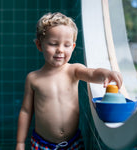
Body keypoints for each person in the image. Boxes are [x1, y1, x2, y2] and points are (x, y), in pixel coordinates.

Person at [16, 12, 123, 150]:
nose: (60, 50)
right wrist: (20, 142)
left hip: (73, 142)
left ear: (72, 47)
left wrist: (107, 74)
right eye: (53, 44)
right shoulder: (33, 78)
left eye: (66, 45)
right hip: (42, 144)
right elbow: (26, 111)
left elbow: (92, 73)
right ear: (39, 45)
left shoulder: (73, 70)